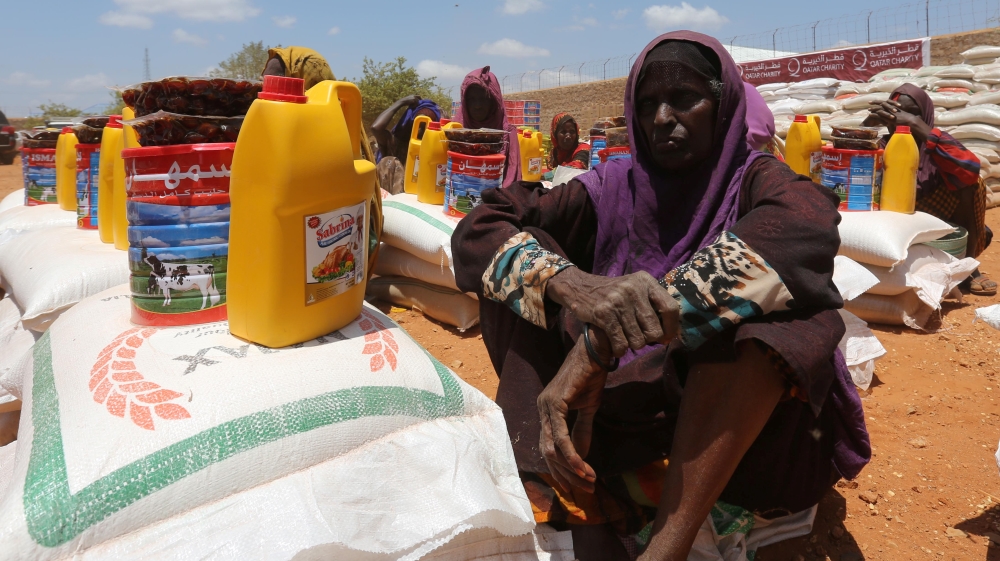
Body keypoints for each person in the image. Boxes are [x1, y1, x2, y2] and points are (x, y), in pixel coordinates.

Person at [452, 31, 870, 561]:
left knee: (788, 322)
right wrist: (573, 284)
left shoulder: (754, 179)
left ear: (722, 104)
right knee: (519, 262)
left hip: (720, 425)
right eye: (647, 104)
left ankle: (667, 544)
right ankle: (566, 493)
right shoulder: (611, 186)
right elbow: (479, 228)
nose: (663, 118)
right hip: (603, 412)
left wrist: (603, 342)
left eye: (684, 98)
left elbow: (805, 227)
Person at [863, 84, 996, 295]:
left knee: (973, 184)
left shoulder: (939, 145)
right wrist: (866, 126)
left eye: (913, 113)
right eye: (897, 112)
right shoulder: (882, 145)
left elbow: (969, 167)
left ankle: (967, 268)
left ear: (925, 115)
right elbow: (845, 162)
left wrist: (914, 124)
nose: (903, 118)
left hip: (937, 225)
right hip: (892, 227)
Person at [460, 66, 521, 187]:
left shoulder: (507, 134)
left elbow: (512, 181)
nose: (477, 106)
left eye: (484, 99)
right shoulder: (456, 132)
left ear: (494, 101)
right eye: (471, 99)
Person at [370, 96, 442, 194]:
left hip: (420, 197)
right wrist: (401, 102)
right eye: (419, 125)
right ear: (411, 124)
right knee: (389, 161)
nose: (422, 131)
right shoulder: (395, 143)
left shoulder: (436, 150)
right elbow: (376, 128)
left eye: (426, 126)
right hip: (392, 199)